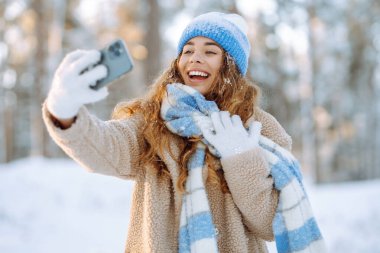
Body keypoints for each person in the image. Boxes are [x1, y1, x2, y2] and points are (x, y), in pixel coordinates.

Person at [43, 12, 325, 253]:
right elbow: (106, 148)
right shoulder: (153, 120)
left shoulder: (260, 129)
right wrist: (64, 112)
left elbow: (268, 224)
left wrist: (241, 159)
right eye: (187, 50)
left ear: (231, 66)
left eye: (210, 51)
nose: (195, 58)